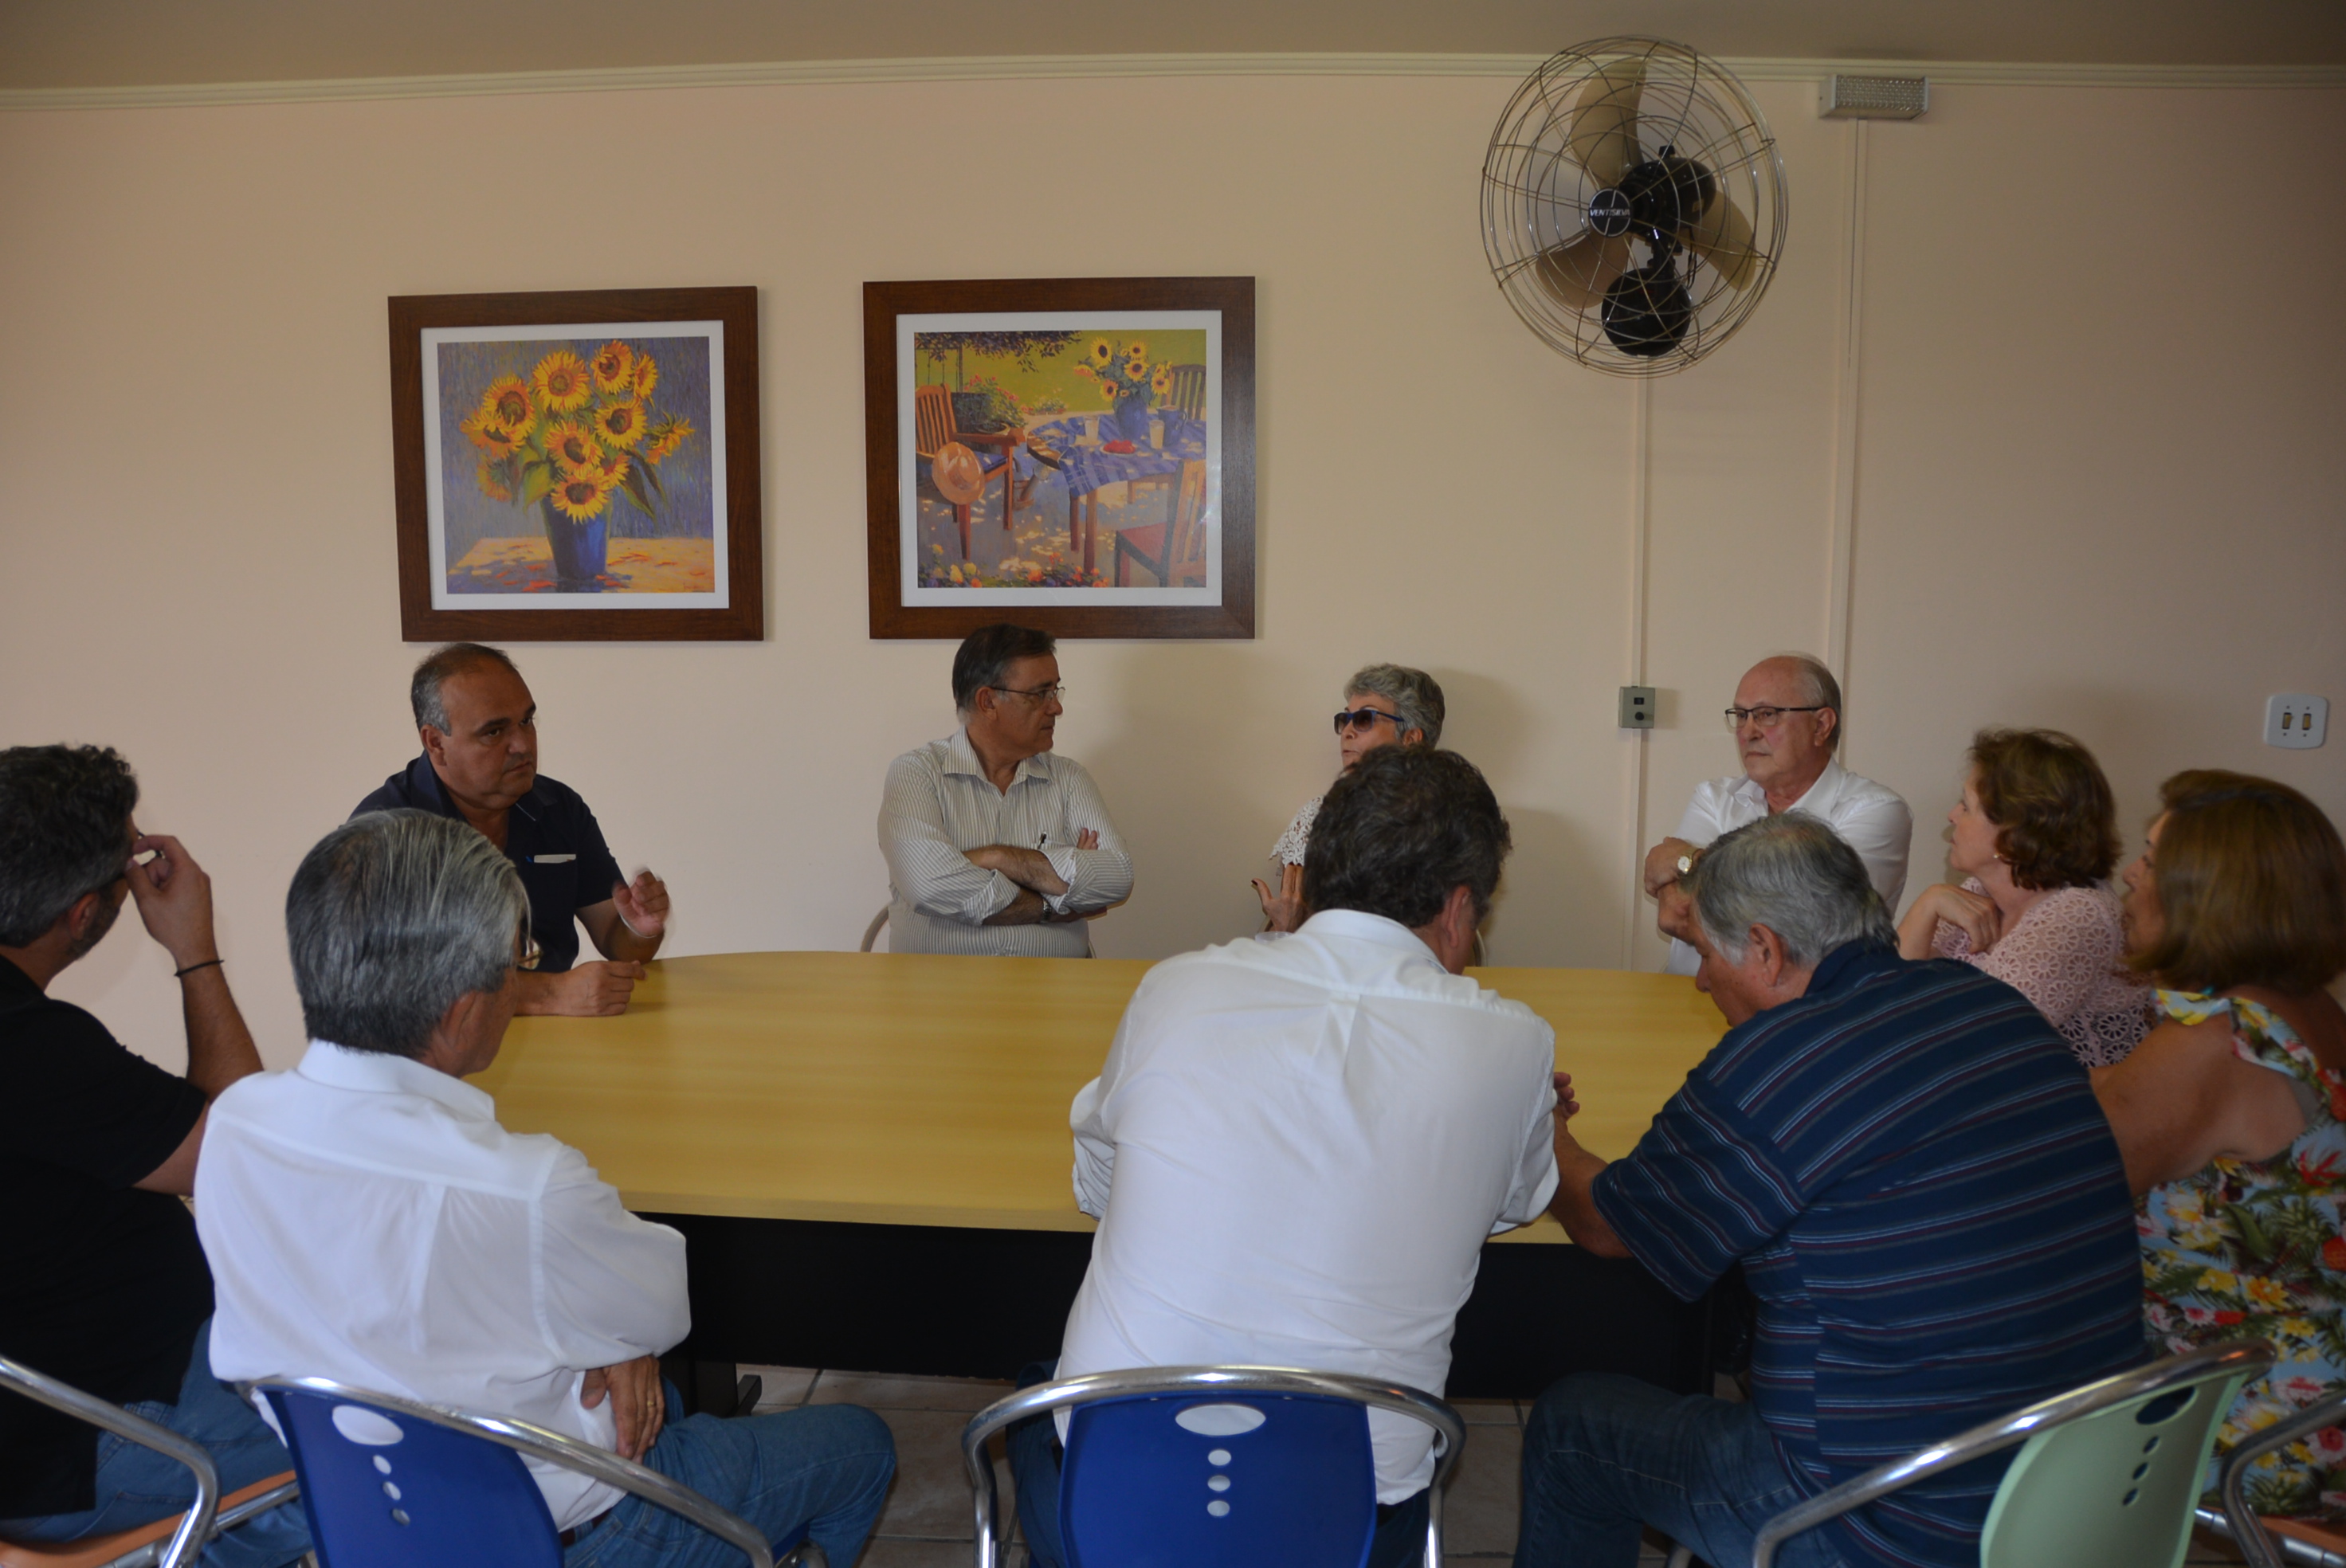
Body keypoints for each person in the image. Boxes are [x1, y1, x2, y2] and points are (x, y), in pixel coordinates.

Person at [198, 810, 895, 1567]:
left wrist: (608, 1336)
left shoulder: (235, 1126)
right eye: (519, 960)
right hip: (560, 1535)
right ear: (464, 1009)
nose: (520, 978)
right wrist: (615, 1339)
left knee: (661, 1394)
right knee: (861, 1444)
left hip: (361, 1518)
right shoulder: (525, 1187)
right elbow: (660, 1311)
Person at [1521, 812, 2144, 1568]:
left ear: (1764, 948)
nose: (1703, 980)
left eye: (1706, 953)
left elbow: (1606, 1225)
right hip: (2087, 1496)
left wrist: (1543, 1127)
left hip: (1894, 1523)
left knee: (1575, 1425)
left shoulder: (1778, 1064)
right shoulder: (1993, 1005)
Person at [1014, 746, 1557, 1568]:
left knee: (1040, 1381)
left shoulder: (1177, 988)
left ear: (1318, 877)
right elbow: (1514, 1203)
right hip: (1349, 1529)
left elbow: (1097, 1185)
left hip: (1111, 1514)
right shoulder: (1514, 1044)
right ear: (1458, 910)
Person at [0, 746, 307, 1567]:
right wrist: (193, 950)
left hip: (71, 1410)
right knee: (407, 1429)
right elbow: (241, 1156)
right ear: (82, 914)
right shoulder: (32, 1047)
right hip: (92, 1442)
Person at [2091, 772, 2346, 1523]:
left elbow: (2059, 1195)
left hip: (2256, 1422)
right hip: (2319, 1391)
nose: (2131, 875)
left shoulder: (2218, 1045)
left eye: (2151, 859)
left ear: (2209, 894)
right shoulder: (2307, 1013)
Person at [354, 643, 668, 1017]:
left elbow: (616, 940)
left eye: (526, 721)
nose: (522, 745)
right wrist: (548, 994)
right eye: (494, 732)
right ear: (436, 743)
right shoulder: (382, 832)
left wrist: (639, 929)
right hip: (433, 1048)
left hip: (553, 1037)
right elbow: (378, 984)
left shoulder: (559, 808)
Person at [1643, 654, 1911, 976]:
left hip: (1812, 1007)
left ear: (1821, 725)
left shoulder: (1875, 811)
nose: (1748, 732)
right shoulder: (1714, 798)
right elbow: (1675, 912)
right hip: (1682, 997)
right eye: (1741, 715)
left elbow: (1809, 930)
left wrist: (1688, 860)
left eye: (1766, 715)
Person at [1894, 728, 2150, 1064]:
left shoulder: (2078, 916)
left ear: (2013, 835)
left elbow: (1977, 1046)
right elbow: (1887, 1000)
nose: (1952, 815)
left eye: (1967, 806)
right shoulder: (1979, 889)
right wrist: (1927, 905)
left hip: (2077, 1096)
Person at [877, 623, 1132, 956]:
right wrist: (1051, 903)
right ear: (988, 702)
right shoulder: (917, 774)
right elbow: (930, 885)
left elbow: (1116, 878)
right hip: (941, 986)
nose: (1056, 708)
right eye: (1039, 694)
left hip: (1056, 985)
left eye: (1055, 691)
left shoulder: (1069, 778)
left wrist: (995, 857)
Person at [1253, 662, 1445, 933]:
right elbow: (1287, 922)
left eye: (1365, 719)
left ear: (1411, 739)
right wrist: (1289, 928)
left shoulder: (1449, 822)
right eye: (1346, 719)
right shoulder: (1317, 817)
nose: (1347, 731)